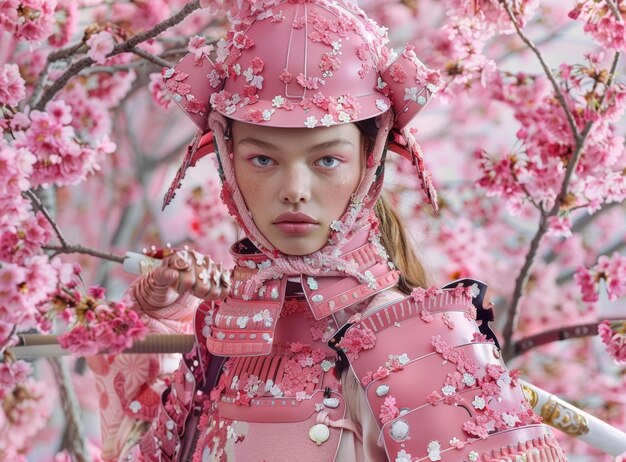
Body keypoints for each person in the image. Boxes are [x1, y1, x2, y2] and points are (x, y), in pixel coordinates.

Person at [88, 1, 567, 461]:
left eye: (327, 160)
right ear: (227, 161)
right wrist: (162, 309)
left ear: (369, 161)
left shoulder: (421, 340)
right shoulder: (223, 329)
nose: (294, 190)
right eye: (262, 158)